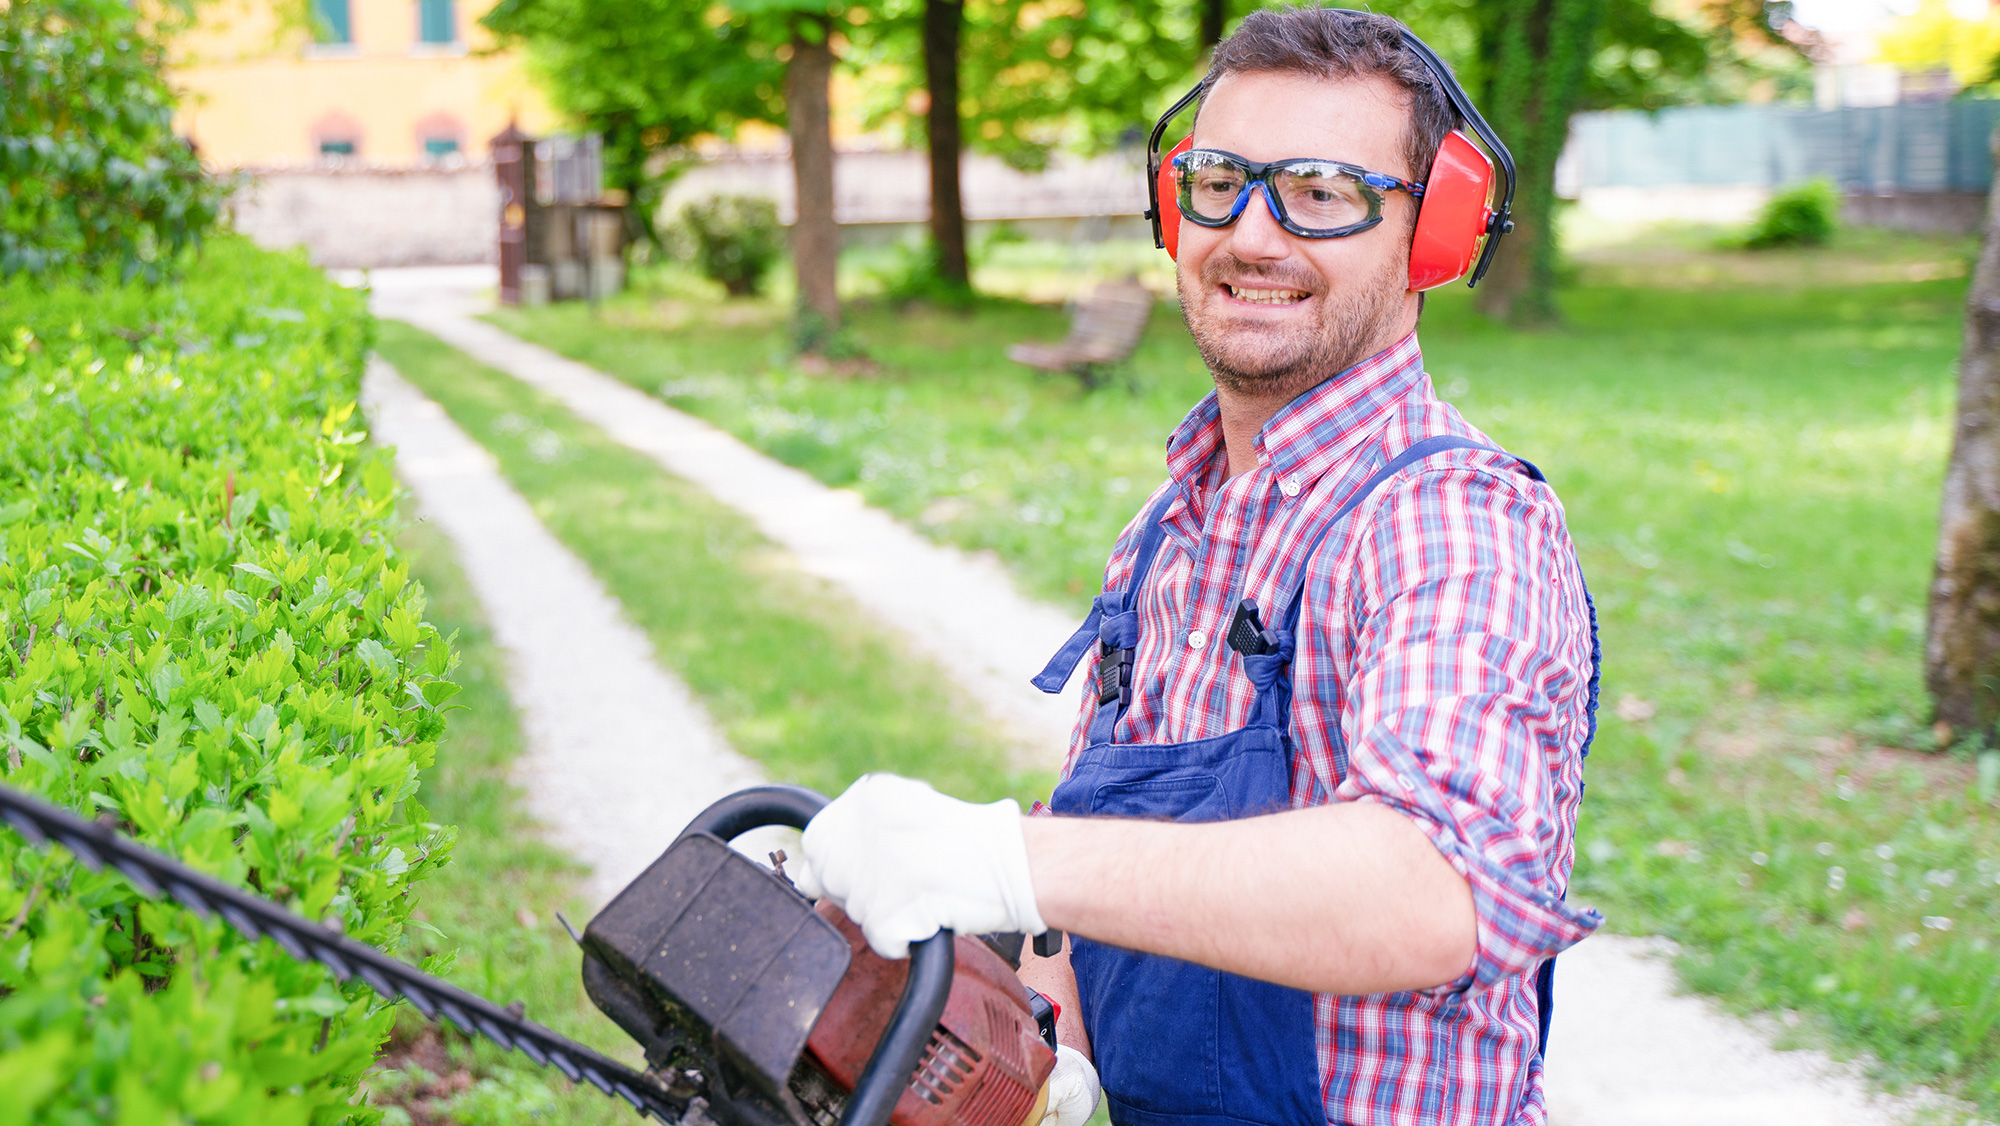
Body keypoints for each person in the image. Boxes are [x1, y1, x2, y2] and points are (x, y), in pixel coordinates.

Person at [793, 9, 1602, 1126]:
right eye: (1220, 180)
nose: (1253, 236)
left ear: (1436, 234)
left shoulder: (1448, 519)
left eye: (1322, 193)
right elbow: (1091, 888)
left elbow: (1436, 884)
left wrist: (1001, 854)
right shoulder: (1170, 528)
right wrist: (1036, 1054)